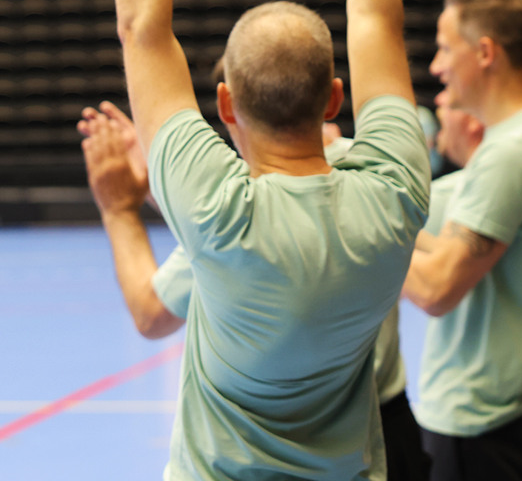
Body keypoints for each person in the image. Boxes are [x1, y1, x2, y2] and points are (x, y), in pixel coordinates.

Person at [105, 0, 429, 479]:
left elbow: (142, 30)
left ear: (225, 107)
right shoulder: (395, 193)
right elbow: (379, 16)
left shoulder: (217, 212)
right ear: (335, 100)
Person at [79, 99, 431, 481]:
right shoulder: (375, 182)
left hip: (266, 453)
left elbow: (151, 312)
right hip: (382, 432)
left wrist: (120, 208)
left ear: (230, 110)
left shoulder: (234, 214)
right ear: (330, 98)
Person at [402, 0, 522, 481]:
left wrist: (358, 228)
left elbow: (437, 288)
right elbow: (444, 242)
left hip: (486, 427)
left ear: (485, 53)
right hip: (505, 419)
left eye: (444, 47)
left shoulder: (512, 153)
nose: (437, 65)